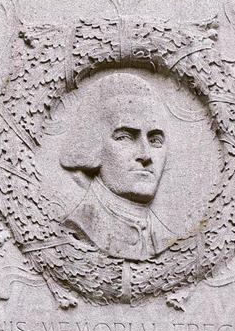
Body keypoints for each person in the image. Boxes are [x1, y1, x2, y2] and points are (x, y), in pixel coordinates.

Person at [59, 72, 176, 261]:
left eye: (155, 140)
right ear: (92, 145)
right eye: (125, 137)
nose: (146, 155)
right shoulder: (79, 227)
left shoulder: (165, 239)